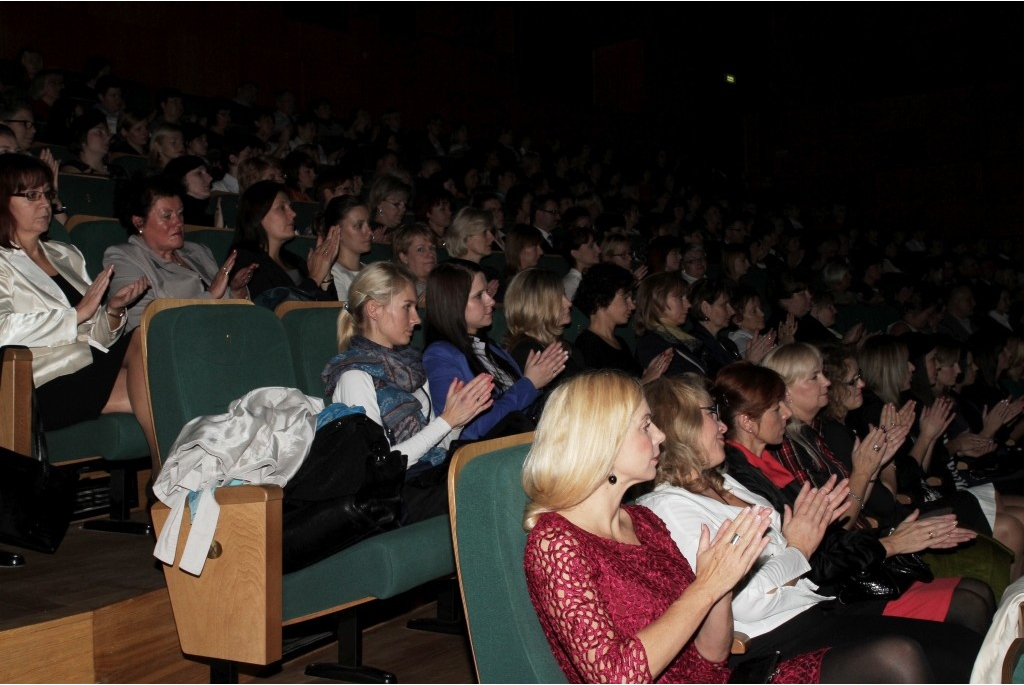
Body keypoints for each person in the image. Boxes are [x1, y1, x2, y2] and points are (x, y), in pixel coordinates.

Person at [639, 374, 985, 682]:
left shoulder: (723, 480)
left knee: (968, 649)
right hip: (770, 638)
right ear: (680, 423)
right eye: (711, 414)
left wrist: (802, 541)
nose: (723, 426)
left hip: (814, 606)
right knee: (908, 655)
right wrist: (798, 548)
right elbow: (744, 603)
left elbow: (794, 559)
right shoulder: (667, 506)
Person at [522, 371, 828, 683]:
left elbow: (712, 654)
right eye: (645, 426)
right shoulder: (556, 542)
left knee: (877, 658)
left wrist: (721, 584)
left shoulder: (645, 522)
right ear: (603, 440)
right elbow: (614, 678)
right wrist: (706, 587)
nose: (660, 435)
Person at [321, 262, 492, 522]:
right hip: (394, 498)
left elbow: (436, 447)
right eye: (407, 307)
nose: (417, 319)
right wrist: (446, 421)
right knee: (490, 486)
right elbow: (381, 466)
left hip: (429, 477)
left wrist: (457, 421)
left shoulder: (411, 367)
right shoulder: (354, 376)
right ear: (374, 310)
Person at [0, 154, 149, 433]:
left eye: (46, 194)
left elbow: (95, 336)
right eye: (31, 196)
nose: (45, 204)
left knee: (161, 388)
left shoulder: (65, 254)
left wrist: (113, 311)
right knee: (158, 381)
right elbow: (2, 329)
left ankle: (163, 473)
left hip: (89, 366)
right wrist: (76, 314)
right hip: (37, 383)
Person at [422, 260, 566, 440]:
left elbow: (523, 409)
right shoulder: (439, 356)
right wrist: (529, 384)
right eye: (479, 295)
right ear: (453, 303)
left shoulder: (490, 348)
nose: (490, 300)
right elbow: (469, 429)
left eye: (488, 292)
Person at [104, 176, 256, 330]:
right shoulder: (124, 257)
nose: (178, 222)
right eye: (167, 216)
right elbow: (144, 325)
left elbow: (228, 308)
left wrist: (235, 291)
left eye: (180, 214)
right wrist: (210, 296)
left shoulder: (199, 251)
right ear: (139, 222)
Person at [229, 180, 339, 306]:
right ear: (258, 215)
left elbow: (331, 309)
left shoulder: (295, 260)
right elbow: (276, 311)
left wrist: (324, 273)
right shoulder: (245, 260)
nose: (293, 213)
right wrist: (314, 278)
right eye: (282, 208)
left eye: (290, 207)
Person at [503, 267, 584, 415]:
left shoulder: (565, 346)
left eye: (565, 295)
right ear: (538, 306)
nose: (569, 303)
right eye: (559, 298)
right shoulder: (528, 352)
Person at [573, 262, 672, 381]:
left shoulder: (619, 342)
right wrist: (646, 381)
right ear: (602, 299)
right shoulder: (587, 346)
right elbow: (604, 395)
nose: (633, 305)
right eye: (625, 298)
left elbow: (635, 378)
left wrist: (652, 370)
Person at [634, 271, 709, 376]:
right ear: (657, 302)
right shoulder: (652, 345)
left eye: (686, 298)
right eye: (680, 297)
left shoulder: (681, 339)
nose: (688, 304)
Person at [315, 195, 371, 301]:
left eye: (369, 224)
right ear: (337, 232)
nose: (369, 232)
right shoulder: (333, 273)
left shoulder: (372, 270)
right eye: (359, 226)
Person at [687, 278, 742, 378]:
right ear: (706, 308)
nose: (732, 311)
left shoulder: (728, 344)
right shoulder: (694, 346)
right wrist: (750, 362)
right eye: (724, 305)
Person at [443, 206, 502, 297]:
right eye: (484, 232)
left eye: (491, 232)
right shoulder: (445, 273)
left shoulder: (492, 274)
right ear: (465, 235)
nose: (492, 238)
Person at [58, 109, 128, 180]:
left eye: (107, 133)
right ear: (81, 136)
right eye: (99, 133)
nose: (108, 137)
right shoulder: (71, 171)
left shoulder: (118, 171)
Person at [391, 222, 436, 306]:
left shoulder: (443, 283)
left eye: (432, 248)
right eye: (421, 249)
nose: (430, 254)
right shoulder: (400, 290)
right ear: (404, 257)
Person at [559, 224, 600, 301]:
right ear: (575, 253)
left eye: (596, 245)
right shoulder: (570, 284)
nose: (598, 250)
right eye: (591, 246)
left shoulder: (594, 278)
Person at [367, 173, 411, 242]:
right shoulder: (365, 232)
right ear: (379, 203)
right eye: (396, 204)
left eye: (405, 204)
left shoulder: (405, 231)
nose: (403, 209)